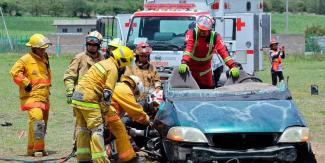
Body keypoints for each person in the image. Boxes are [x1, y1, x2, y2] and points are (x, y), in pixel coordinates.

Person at [71, 46, 134, 163]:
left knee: (84, 129)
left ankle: (83, 158)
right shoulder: (113, 69)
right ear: (122, 60)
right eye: (125, 64)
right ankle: (101, 160)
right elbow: (107, 92)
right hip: (89, 99)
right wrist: (104, 110)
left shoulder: (102, 63)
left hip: (77, 97)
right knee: (97, 130)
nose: (124, 68)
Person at [10, 33, 52, 157]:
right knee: (38, 119)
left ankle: (32, 148)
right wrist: (25, 83)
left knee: (41, 123)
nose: (44, 50)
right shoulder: (25, 59)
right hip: (31, 96)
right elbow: (14, 72)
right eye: (41, 48)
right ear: (34, 48)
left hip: (44, 96)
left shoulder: (45, 58)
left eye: (45, 48)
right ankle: (38, 149)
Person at [178, 15, 239, 89]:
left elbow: (223, 52)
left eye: (204, 31)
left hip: (205, 70)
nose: (202, 33)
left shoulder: (215, 37)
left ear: (210, 30)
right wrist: (184, 63)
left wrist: (232, 66)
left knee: (208, 91)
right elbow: (188, 48)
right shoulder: (192, 33)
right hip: (191, 69)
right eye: (200, 30)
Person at [105, 75, 150, 162]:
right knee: (120, 132)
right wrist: (146, 120)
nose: (134, 95)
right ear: (135, 87)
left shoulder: (118, 86)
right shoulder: (125, 90)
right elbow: (136, 111)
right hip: (109, 116)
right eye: (136, 93)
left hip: (102, 114)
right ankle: (129, 159)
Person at [63, 31, 105, 104]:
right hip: (80, 94)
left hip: (97, 95)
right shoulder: (80, 58)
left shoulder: (102, 59)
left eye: (94, 45)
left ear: (99, 45)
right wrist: (70, 90)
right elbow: (69, 75)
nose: (91, 47)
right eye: (89, 44)